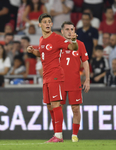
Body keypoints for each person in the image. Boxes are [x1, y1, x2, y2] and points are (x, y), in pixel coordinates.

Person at [26, 13, 78, 142]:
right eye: (45, 22)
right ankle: (56, 133)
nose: (48, 24)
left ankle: (59, 135)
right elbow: (43, 54)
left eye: (49, 21)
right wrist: (34, 52)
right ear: (40, 25)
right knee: (49, 106)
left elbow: (73, 47)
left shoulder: (56, 37)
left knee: (56, 103)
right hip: (46, 77)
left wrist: (74, 40)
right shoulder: (41, 40)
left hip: (55, 75)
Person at [60, 21, 90, 142]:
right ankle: (58, 134)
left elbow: (86, 62)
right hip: (59, 82)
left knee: (76, 109)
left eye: (71, 29)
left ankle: (74, 135)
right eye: (67, 29)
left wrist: (87, 79)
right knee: (57, 108)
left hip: (74, 81)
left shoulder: (80, 44)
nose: (69, 31)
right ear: (62, 31)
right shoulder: (58, 44)